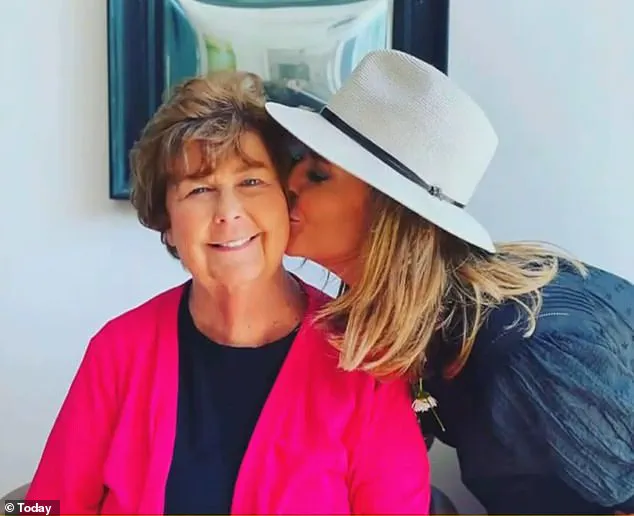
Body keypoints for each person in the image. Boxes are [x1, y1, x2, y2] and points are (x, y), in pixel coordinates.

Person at [25, 71, 431, 514]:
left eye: (251, 182)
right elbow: (43, 507)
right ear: (167, 221)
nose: (228, 213)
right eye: (199, 189)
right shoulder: (117, 352)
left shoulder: (365, 365)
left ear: (287, 199)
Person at [265, 49, 634, 515]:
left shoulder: (526, 351)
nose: (290, 182)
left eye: (318, 174)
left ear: (389, 215)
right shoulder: (399, 316)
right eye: (297, 160)